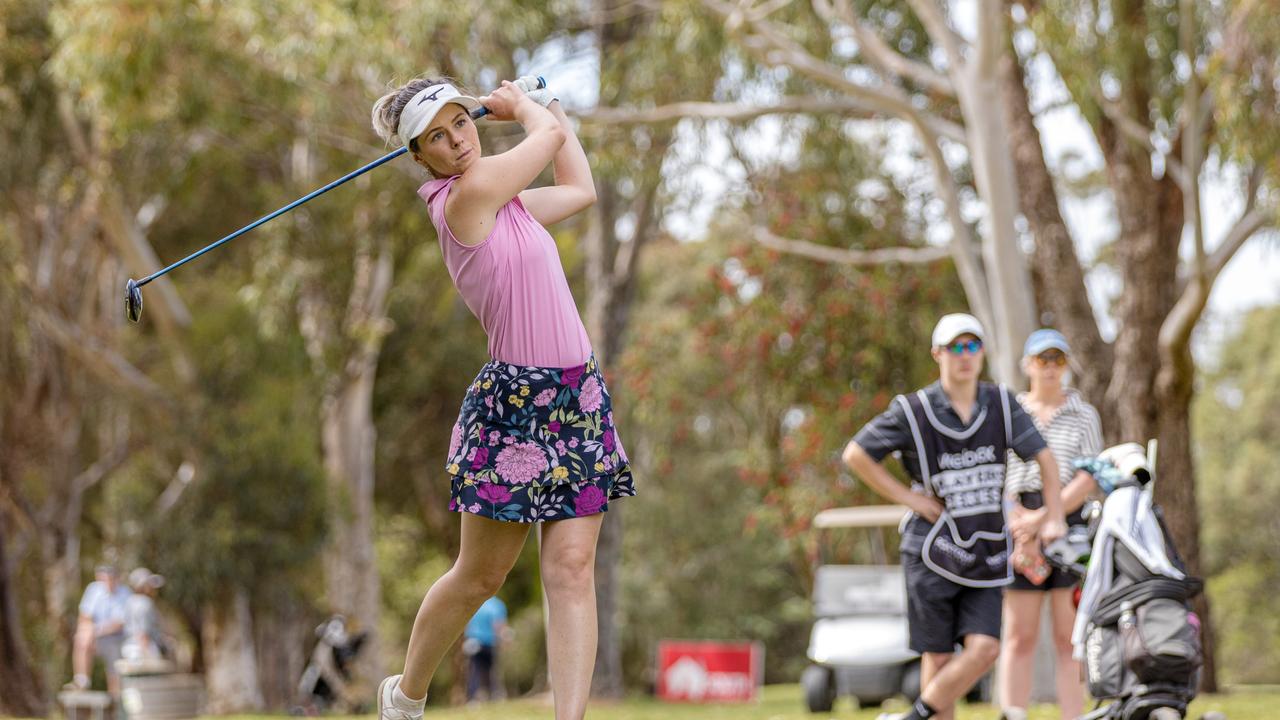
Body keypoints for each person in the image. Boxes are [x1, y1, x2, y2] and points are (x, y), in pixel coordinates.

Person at [368, 75, 635, 720]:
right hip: (515, 408)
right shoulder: (463, 201)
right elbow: (544, 139)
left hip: (577, 397)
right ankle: (405, 695)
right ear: (421, 157)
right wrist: (527, 109)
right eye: (437, 137)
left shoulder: (508, 204)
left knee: (572, 569)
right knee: (480, 576)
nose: (456, 141)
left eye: (461, 123)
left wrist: (552, 109)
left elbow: (580, 188)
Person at [841, 313, 1066, 720]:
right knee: (939, 655)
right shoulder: (913, 409)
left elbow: (1045, 458)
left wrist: (1053, 514)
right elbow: (857, 454)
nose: (965, 356)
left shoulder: (1000, 402)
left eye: (973, 346)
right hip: (931, 549)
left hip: (985, 552)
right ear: (938, 354)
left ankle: (914, 716)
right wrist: (908, 498)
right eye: (956, 347)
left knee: (986, 648)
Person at [997, 329, 1102, 720]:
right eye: (1043, 360)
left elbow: (1087, 477)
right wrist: (1020, 525)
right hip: (1019, 528)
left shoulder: (1084, 414)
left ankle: (1073, 715)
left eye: (1058, 360)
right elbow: (1002, 474)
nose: (1051, 369)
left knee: (1067, 636)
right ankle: (1013, 712)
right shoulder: (1012, 412)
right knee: (1019, 635)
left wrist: (1046, 517)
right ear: (1028, 365)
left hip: (1067, 526)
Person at [66, 564, 132, 693]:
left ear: (117, 578)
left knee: (114, 674)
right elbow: (85, 616)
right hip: (97, 636)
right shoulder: (94, 589)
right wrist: (89, 632)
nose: (107, 582)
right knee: (82, 637)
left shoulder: (125, 593)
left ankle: (115, 700)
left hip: (117, 637)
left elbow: (119, 624)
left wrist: (96, 631)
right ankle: (81, 680)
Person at [463, 596, 509, 702]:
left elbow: (467, 623)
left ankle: (474, 698)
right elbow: (498, 625)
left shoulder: (475, 601)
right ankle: (493, 695)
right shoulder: (497, 604)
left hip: (473, 641)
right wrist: (504, 641)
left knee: (475, 670)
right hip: (489, 642)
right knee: (491, 670)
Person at [122, 568, 169, 664]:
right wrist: (150, 656)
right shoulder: (145, 603)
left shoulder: (129, 601)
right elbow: (143, 634)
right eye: (149, 585)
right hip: (143, 649)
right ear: (142, 586)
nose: (153, 588)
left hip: (129, 648)